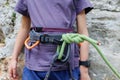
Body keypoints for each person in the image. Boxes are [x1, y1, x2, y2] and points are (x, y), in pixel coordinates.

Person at [9, 0, 93, 80]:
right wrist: (14, 58)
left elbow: (83, 33)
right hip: (34, 67)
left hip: (66, 66)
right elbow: (24, 28)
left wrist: (84, 70)